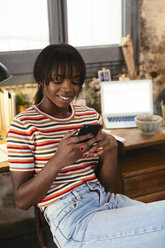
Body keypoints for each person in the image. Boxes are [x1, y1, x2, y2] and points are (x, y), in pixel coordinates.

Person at [7, 44, 165, 248]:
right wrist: (58, 161)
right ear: (41, 79)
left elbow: (105, 184)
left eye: (74, 81)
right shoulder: (24, 125)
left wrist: (110, 151)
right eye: (58, 80)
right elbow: (21, 201)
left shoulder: (89, 116)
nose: (68, 88)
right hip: (72, 219)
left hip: (107, 201)